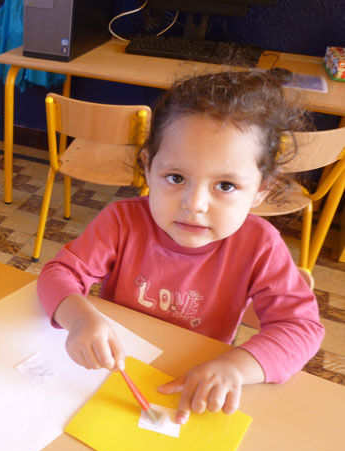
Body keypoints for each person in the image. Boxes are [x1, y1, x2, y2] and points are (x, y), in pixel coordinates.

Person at [37, 71, 324, 424]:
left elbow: (300, 328)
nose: (194, 204)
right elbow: (58, 274)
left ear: (261, 190)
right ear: (148, 167)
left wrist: (235, 367)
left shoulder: (260, 245)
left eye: (225, 185)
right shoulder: (122, 221)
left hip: (195, 382)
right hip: (115, 376)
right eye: (176, 178)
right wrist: (79, 318)